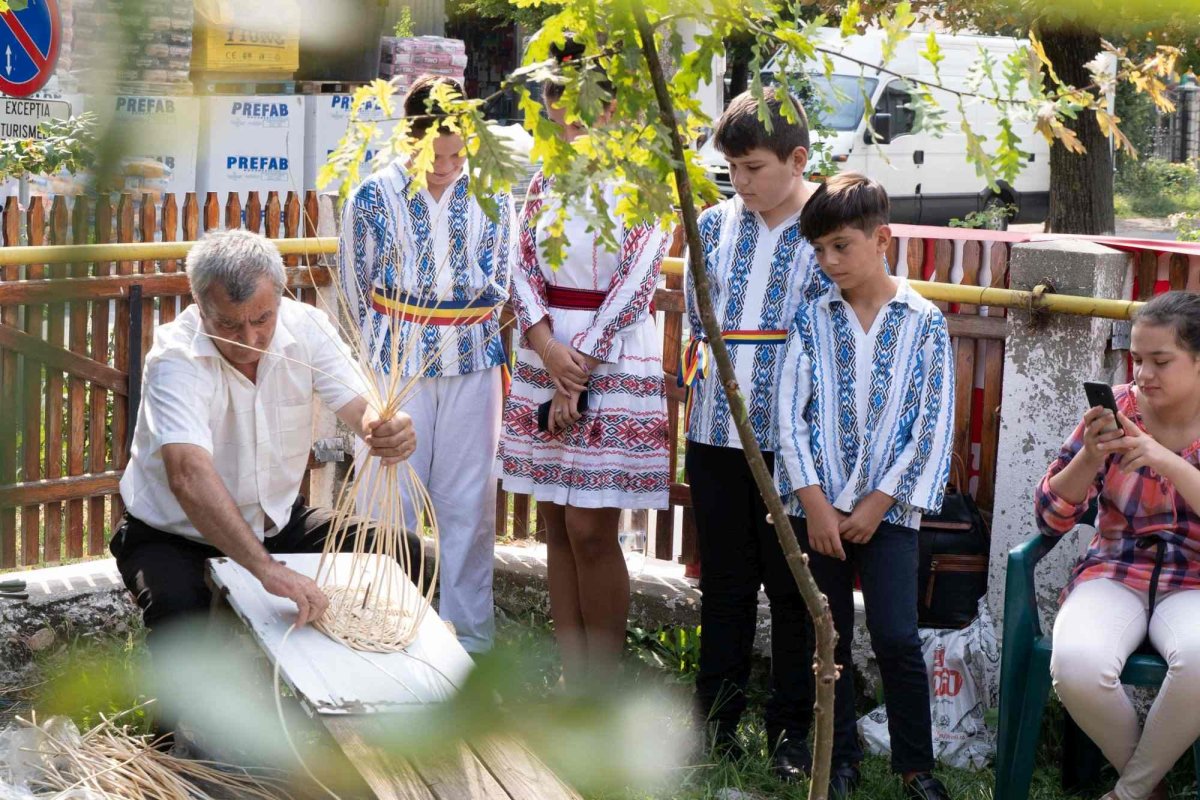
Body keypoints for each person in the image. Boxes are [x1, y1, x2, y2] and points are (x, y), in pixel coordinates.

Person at [113, 230, 418, 651]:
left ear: (279, 294)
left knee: (402, 553)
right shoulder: (175, 357)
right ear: (199, 304)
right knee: (185, 625)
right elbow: (188, 474)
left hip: (277, 523)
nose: (249, 339)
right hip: (173, 536)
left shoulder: (307, 327)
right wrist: (266, 569)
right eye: (228, 324)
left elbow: (360, 404)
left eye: (262, 320)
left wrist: (382, 424)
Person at [497, 37, 671, 685]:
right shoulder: (545, 178)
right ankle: (573, 684)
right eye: (555, 102)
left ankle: (603, 688)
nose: (566, 117)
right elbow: (519, 264)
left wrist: (582, 364)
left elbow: (639, 278)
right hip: (547, 348)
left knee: (591, 528)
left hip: (614, 357)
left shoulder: (643, 180)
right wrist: (547, 349)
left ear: (612, 104)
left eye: (580, 104)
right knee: (556, 524)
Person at [776, 173, 955, 800]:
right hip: (819, 511)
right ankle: (839, 757)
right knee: (827, 636)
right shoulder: (812, 320)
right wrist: (816, 506)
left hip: (891, 514)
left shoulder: (924, 322)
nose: (828, 261)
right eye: (819, 249)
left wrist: (879, 503)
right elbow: (789, 418)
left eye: (841, 246)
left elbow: (933, 424)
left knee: (897, 637)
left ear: (881, 239)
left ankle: (915, 766)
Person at [338, 75, 516, 654]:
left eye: (455, 154)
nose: (444, 166)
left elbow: (503, 276)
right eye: (432, 154)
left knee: (468, 502)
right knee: (387, 496)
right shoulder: (372, 195)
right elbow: (355, 286)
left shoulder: (492, 192)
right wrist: (387, 344)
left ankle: (469, 640)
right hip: (394, 362)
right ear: (408, 137)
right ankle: (382, 625)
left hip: (472, 359)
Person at [681, 86, 828, 775]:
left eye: (754, 168)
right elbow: (695, 315)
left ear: (797, 160)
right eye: (732, 169)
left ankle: (792, 733)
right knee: (725, 582)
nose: (740, 182)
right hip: (714, 430)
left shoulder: (828, 228)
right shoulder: (713, 226)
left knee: (793, 585)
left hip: (793, 443)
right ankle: (714, 722)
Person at [1038, 291, 1200, 800]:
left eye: (1160, 361)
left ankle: (1128, 793)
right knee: (1076, 666)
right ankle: (1148, 789)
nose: (1143, 374)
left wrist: (1164, 460)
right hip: (1114, 570)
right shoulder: (1118, 406)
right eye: (1136, 359)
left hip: (1194, 580)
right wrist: (1089, 456)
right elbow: (1049, 517)